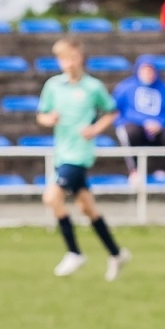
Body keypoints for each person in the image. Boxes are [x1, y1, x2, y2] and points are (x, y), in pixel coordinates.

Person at [36, 37, 130, 280]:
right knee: (87, 208)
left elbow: (112, 112)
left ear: (80, 58)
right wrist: (49, 119)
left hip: (80, 154)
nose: (68, 63)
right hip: (62, 153)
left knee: (51, 197)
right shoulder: (53, 85)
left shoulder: (93, 87)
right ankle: (116, 253)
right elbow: (41, 115)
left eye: (72, 58)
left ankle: (74, 252)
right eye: (63, 59)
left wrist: (95, 129)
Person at [112, 56, 165, 182]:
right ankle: (134, 170)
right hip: (135, 127)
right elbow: (115, 110)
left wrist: (160, 123)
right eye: (145, 70)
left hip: (159, 129)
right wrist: (140, 122)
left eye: (151, 70)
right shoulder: (125, 87)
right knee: (129, 132)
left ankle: (164, 170)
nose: (148, 74)